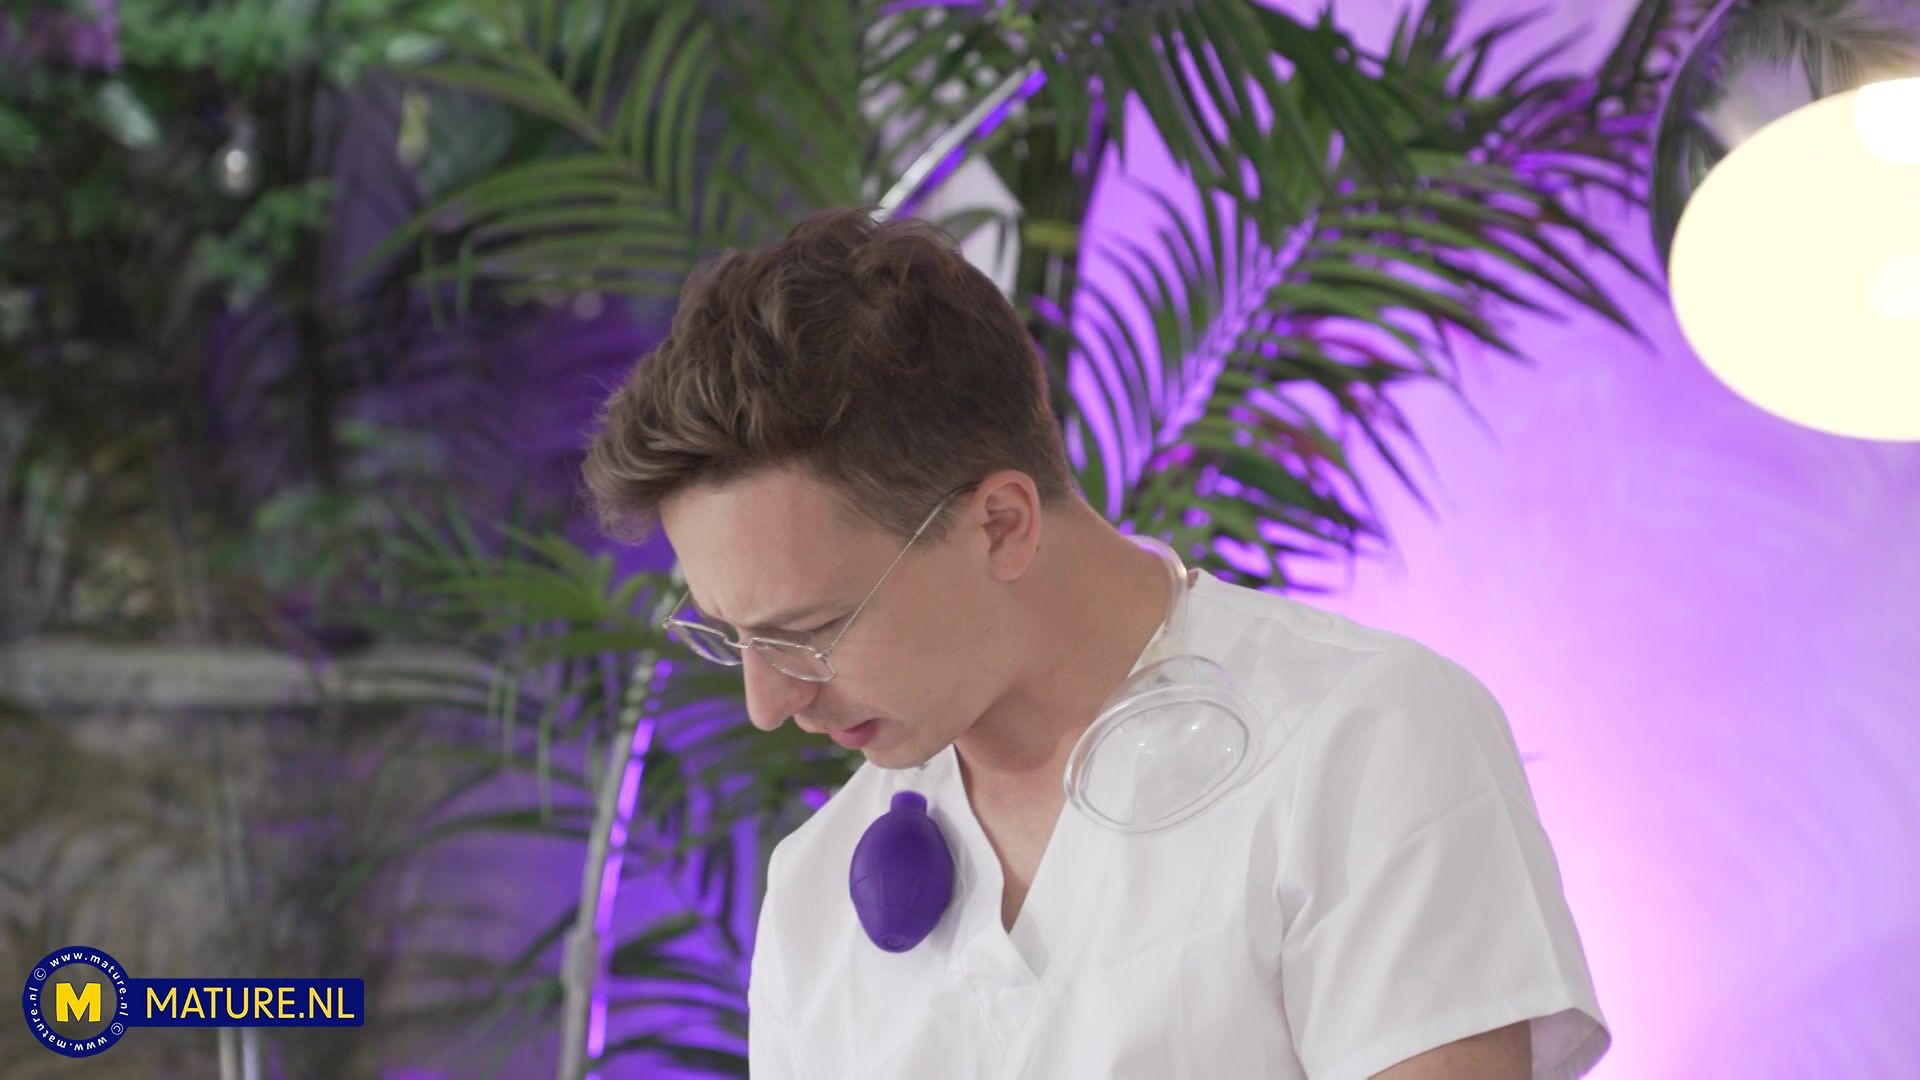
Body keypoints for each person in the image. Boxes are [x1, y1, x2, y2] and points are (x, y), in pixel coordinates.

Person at [580, 206, 1611, 1079]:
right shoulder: (816, 889)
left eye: (808, 631)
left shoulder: (1363, 742)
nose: (767, 703)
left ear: (1001, 524)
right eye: (733, 639)